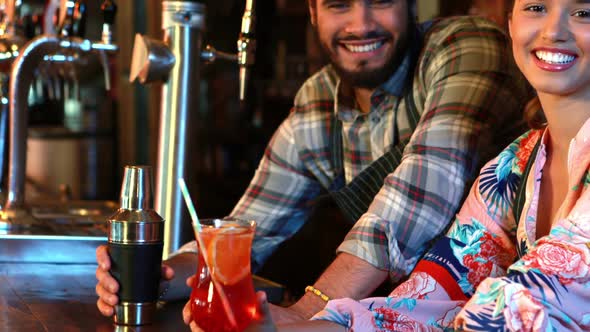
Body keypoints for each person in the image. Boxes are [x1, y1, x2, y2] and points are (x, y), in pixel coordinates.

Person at [95, 0, 531, 324]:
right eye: (339, 4)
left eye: (380, 1)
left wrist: (306, 314)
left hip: (506, 314)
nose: (361, 24)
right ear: (312, 11)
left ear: (411, 6)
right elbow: (248, 229)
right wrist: (159, 278)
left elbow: (420, 193)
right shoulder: (318, 103)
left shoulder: (465, 47)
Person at [230, 0, 590, 329]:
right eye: (536, 7)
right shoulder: (514, 165)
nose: (553, 31)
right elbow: (428, 296)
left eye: (583, 13)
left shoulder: (464, 48)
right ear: (510, 22)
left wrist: (305, 313)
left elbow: (516, 309)